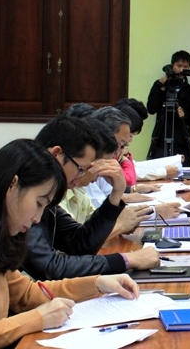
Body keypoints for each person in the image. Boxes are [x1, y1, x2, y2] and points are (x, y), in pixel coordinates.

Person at [0, 139, 139, 348]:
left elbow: (27, 294)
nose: (37, 218)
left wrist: (98, 283)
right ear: (11, 185)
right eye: (39, 203)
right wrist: (36, 319)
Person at [24, 115, 160, 280]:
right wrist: (126, 260)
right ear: (57, 154)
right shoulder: (24, 187)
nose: (79, 179)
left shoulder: (44, 193)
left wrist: (117, 193)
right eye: (81, 169)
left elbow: (80, 244)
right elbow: (49, 268)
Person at [147, 50, 190, 166]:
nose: (181, 69)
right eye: (178, 65)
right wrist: (161, 87)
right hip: (160, 143)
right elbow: (151, 109)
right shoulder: (160, 85)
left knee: (183, 176)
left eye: (185, 67)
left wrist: (185, 115)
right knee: (158, 175)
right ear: (172, 66)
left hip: (182, 144)